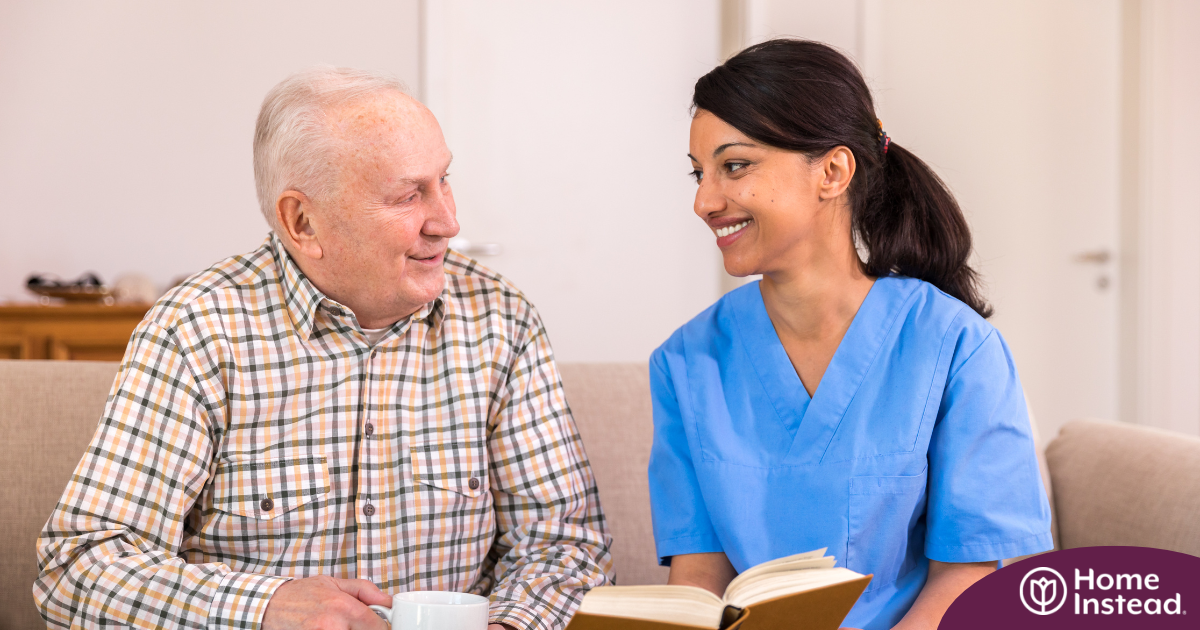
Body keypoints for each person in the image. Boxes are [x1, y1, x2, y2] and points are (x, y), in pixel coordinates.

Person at [34, 67, 613, 630]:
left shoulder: (500, 320)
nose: (448, 221)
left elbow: (565, 545)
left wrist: (509, 627)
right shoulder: (197, 331)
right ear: (302, 221)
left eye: (444, 180)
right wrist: (264, 609)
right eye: (409, 195)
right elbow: (78, 567)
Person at [647, 40, 1052, 630]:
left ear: (833, 172)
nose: (704, 201)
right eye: (699, 173)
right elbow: (699, 578)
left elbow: (966, 576)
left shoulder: (956, 348)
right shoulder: (685, 362)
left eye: (734, 166)